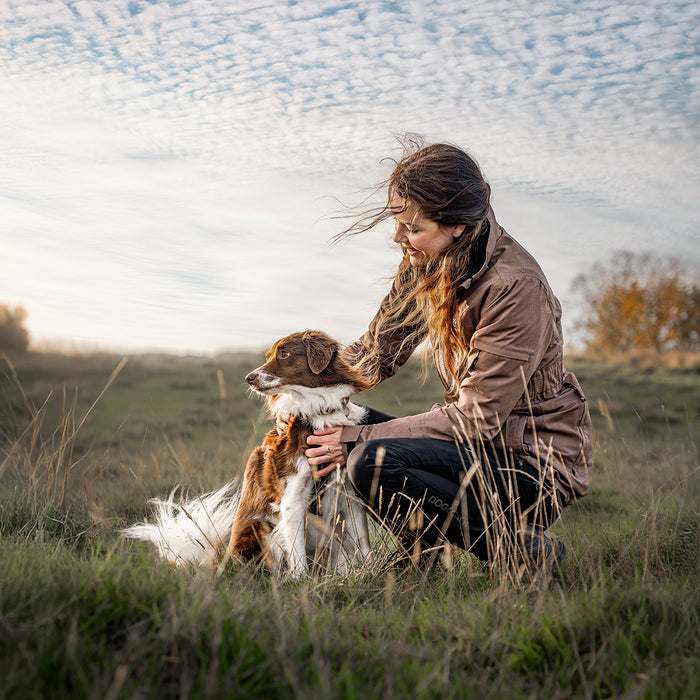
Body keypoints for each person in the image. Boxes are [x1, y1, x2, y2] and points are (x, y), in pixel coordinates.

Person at [303, 138, 593, 580]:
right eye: (397, 223)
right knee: (320, 433)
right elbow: (375, 354)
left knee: (370, 459)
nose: (399, 237)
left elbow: (476, 420)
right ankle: (415, 559)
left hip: (531, 466)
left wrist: (357, 439)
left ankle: (523, 553)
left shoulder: (515, 288)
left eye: (413, 227)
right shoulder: (428, 261)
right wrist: (305, 387)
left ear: (457, 225)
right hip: (473, 449)